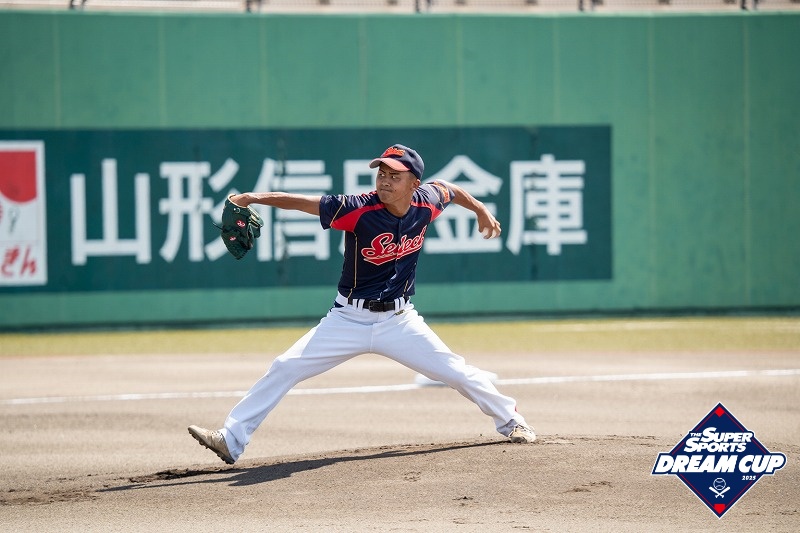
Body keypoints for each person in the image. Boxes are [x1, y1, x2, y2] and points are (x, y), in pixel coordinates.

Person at [188, 144, 536, 465]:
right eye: (381, 173)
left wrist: (480, 210)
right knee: (285, 366)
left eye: (394, 176)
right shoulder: (357, 208)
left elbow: (451, 189)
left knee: (456, 372)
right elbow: (303, 202)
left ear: (414, 183)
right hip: (347, 319)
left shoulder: (428, 201)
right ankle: (231, 439)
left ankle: (513, 421)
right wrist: (250, 198)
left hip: (399, 321)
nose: (384, 180)